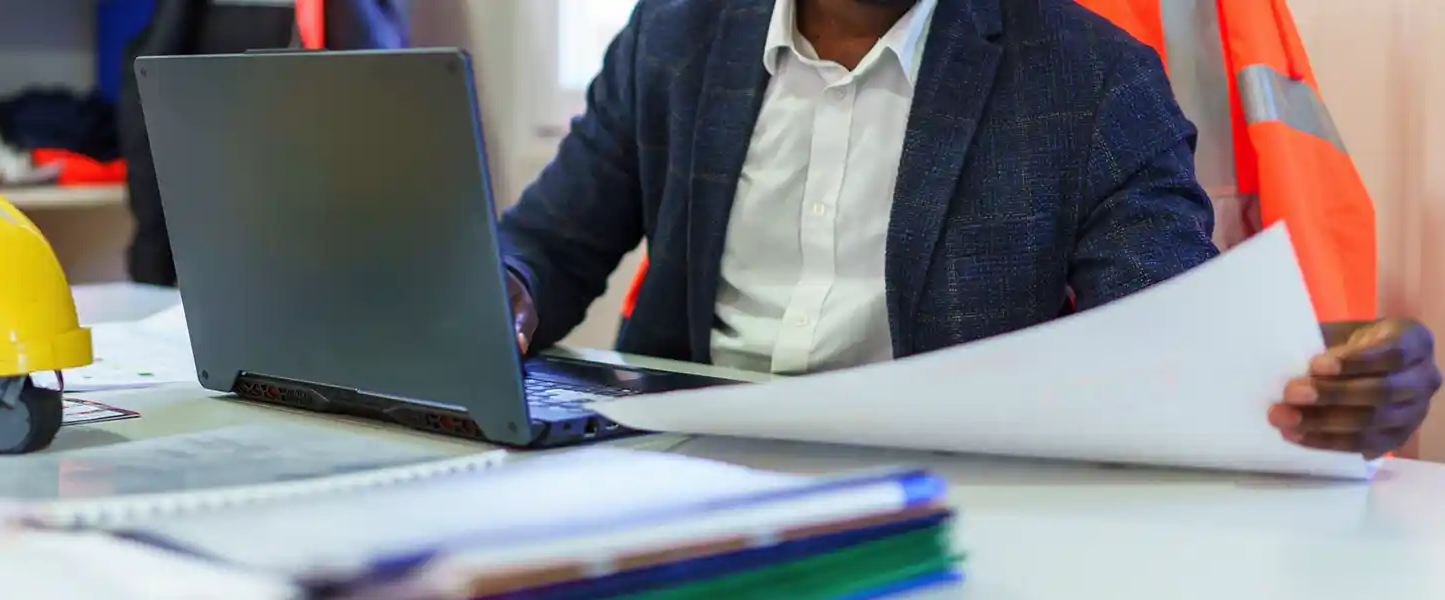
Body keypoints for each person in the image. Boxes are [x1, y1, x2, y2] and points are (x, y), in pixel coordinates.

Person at [496, 0, 1439, 458]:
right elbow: (547, 243)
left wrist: (1332, 372)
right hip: (674, 482)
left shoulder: (1092, 80)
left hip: (940, 503)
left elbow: (1170, 345)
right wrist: (503, 293)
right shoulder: (675, 34)